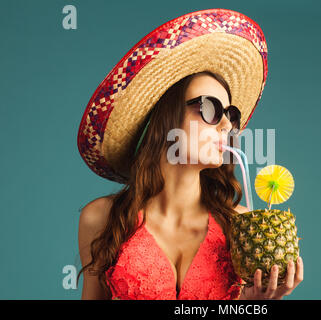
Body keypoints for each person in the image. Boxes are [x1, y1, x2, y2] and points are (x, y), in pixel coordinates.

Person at [76, 9, 303, 300]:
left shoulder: (243, 227)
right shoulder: (101, 218)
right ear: (164, 119)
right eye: (210, 109)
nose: (226, 125)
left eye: (231, 115)